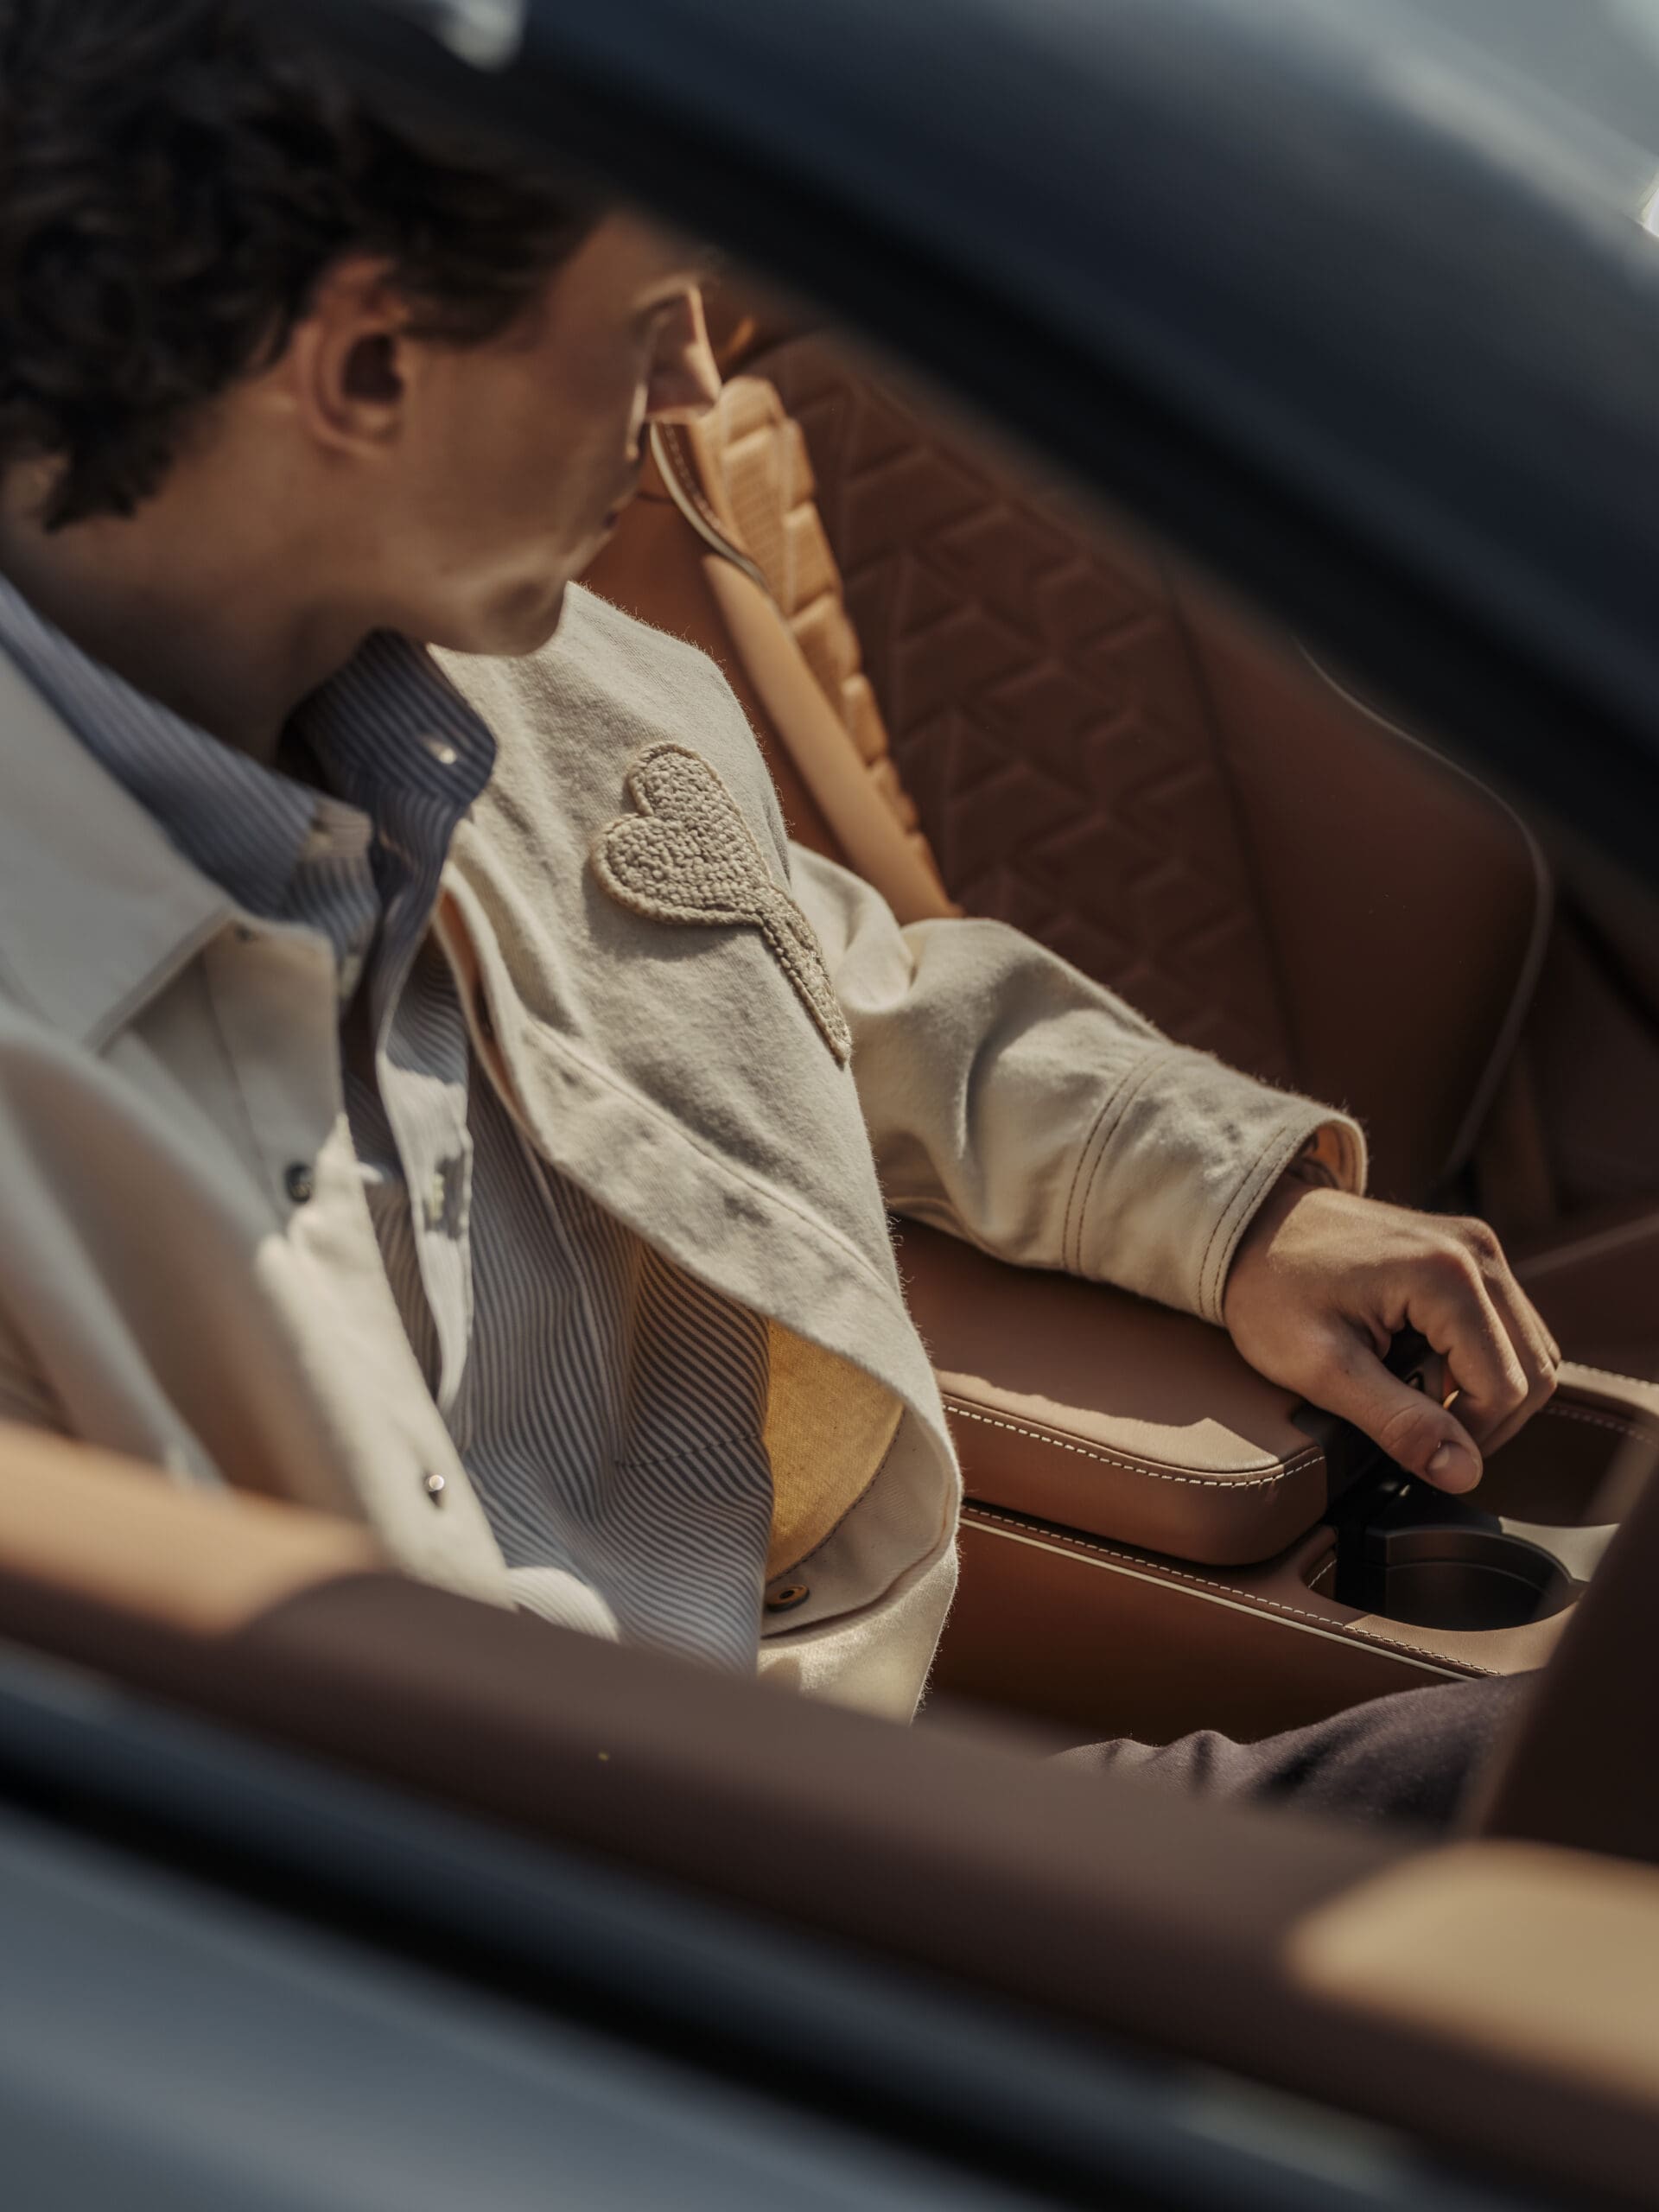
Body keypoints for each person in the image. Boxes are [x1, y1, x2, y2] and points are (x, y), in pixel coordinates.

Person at [0, 0, 1559, 1821]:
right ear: (360, 366)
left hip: (804, 1802)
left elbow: (828, 977)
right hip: (580, 1987)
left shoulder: (554, 686)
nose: (690, 398)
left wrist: (1231, 1204)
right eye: (654, 324)